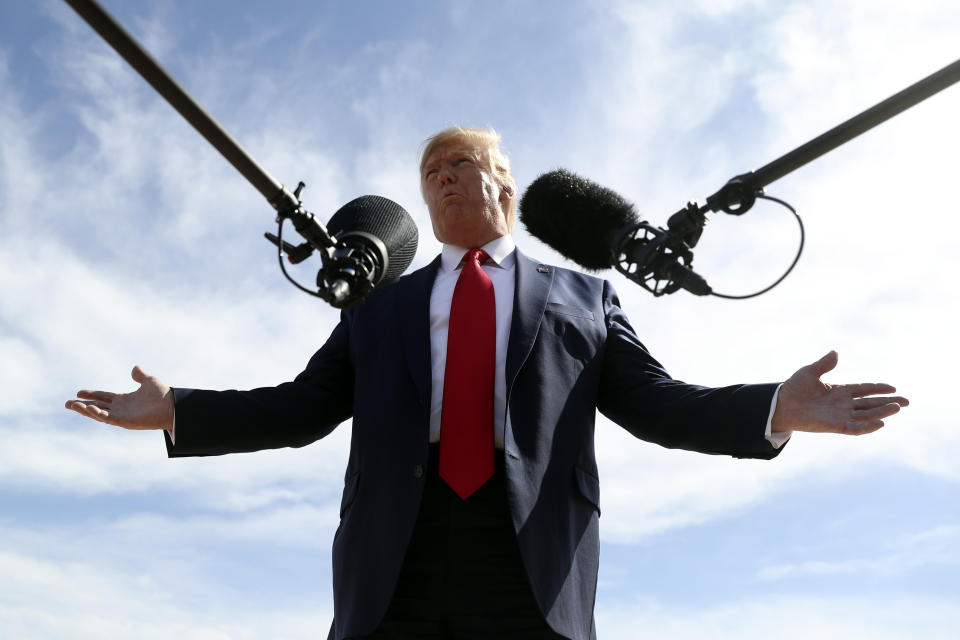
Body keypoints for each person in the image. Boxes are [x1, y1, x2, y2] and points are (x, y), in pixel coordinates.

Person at [66, 126, 909, 640]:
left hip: (531, 560)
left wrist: (776, 409)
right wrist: (178, 410)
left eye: (456, 161)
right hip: (392, 556)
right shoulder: (380, 308)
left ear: (501, 183)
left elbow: (657, 405)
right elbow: (301, 409)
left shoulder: (587, 297)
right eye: (428, 169)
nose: (437, 176)